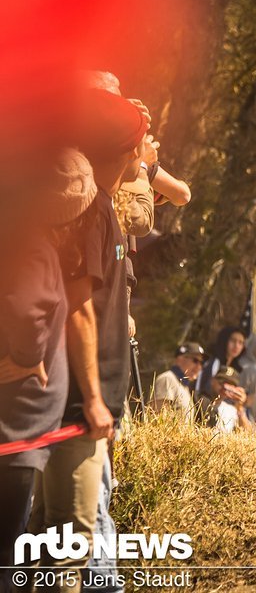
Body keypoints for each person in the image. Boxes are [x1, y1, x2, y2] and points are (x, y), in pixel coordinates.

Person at [28, 89, 148, 593]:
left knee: (39, 540)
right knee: (70, 544)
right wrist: (96, 401)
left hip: (75, 401)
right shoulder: (93, 209)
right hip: (77, 406)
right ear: (130, 151)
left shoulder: (98, 205)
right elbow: (79, 310)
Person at [0, 150, 96, 593]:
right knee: (7, 554)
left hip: (18, 432)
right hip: (15, 432)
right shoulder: (36, 247)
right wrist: (29, 353)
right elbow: (24, 309)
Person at [149, 343, 208, 420]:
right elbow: (158, 420)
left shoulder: (185, 387)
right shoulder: (167, 379)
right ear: (179, 359)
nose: (199, 367)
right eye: (195, 360)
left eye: (201, 363)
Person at [205, 366, 254, 434]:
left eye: (230, 385)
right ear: (212, 380)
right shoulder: (199, 399)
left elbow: (248, 434)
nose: (224, 387)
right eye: (221, 382)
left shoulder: (231, 410)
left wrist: (239, 407)